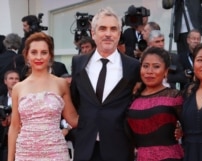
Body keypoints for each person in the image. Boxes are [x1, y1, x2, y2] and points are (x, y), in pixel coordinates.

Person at [70, 7, 140, 161]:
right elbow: (75, 98)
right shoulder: (78, 63)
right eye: (102, 29)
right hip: (85, 145)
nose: (108, 34)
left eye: (113, 29)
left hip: (119, 146)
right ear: (93, 33)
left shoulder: (133, 66)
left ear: (119, 34)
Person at [8, 32, 78, 161]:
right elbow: (14, 127)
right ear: (26, 55)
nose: (39, 57)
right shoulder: (19, 87)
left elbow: (73, 119)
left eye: (44, 52)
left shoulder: (61, 84)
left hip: (55, 152)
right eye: (34, 52)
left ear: (50, 55)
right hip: (25, 152)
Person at [127, 47, 184, 161]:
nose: (149, 71)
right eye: (145, 66)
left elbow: (192, 126)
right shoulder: (132, 98)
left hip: (170, 157)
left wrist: (181, 130)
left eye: (156, 67)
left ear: (166, 71)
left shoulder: (174, 96)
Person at [0, 70, 20, 161]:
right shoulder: (1, 100)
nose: (14, 81)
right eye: (11, 78)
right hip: (4, 142)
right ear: (5, 81)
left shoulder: (25, 99)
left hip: (22, 140)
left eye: (16, 79)